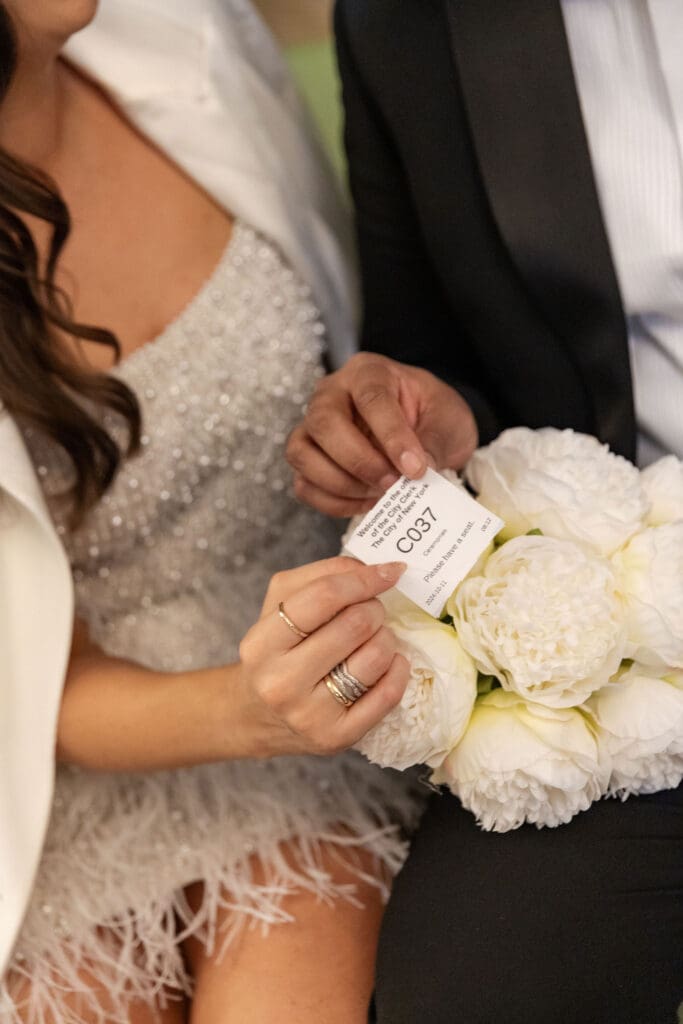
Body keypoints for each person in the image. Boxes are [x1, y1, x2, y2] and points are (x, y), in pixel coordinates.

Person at [0, 1, 425, 1021]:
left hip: (334, 674)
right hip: (63, 755)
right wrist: (247, 710)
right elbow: (33, 677)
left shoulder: (187, 23)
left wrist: (380, 411)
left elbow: (382, 308)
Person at [287, 1, 683, 1021]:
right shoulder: (404, 22)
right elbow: (441, 349)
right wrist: (432, 419)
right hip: (637, 639)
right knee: (467, 986)